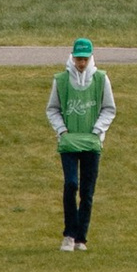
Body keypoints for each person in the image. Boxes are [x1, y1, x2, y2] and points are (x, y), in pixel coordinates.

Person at [45, 37, 115, 250]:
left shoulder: (101, 79)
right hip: (69, 142)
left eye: (85, 59)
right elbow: (53, 108)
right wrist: (62, 130)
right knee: (71, 184)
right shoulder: (61, 80)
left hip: (91, 142)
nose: (81, 63)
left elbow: (109, 108)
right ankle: (69, 234)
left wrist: (97, 131)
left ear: (90, 58)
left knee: (87, 190)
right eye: (78, 59)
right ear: (72, 57)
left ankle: (81, 238)